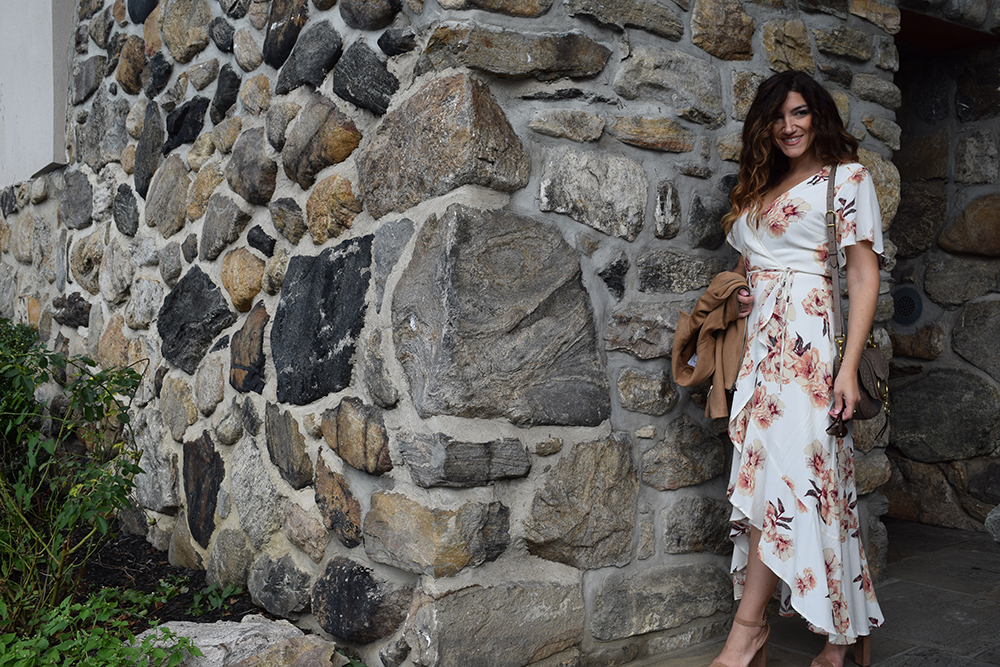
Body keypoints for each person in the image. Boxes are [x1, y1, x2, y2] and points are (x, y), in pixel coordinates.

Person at [709, 70, 884, 667]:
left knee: (786, 482)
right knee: (808, 486)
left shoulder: (846, 178)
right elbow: (750, 263)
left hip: (809, 352)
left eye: (800, 113)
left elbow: (862, 273)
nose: (789, 126)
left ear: (819, 116)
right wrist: (739, 294)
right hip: (760, 355)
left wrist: (848, 368)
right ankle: (843, 636)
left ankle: (747, 633)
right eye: (778, 116)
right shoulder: (760, 185)